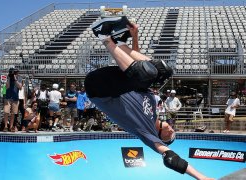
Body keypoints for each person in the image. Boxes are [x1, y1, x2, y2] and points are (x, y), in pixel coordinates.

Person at [86, 16, 214, 179]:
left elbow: (170, 158)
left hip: (99, 90)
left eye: (171, 135)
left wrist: (201, 177)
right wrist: (135, 36)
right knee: (163, 71)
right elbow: (137, 67)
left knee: (146, 74)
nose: (172, 130)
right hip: (115, 83)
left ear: (160, 137)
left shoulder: (146, 132)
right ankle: (120, 42)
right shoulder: (154, 107)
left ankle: (104, 36)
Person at [3, 68, 22, 132]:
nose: (15, 74)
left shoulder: (19, 78)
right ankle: (5, 126)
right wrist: (8, 78)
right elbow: (6, 87)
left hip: (15, 98)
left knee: (13, 113)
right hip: (7, 97)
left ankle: (11, 126)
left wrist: (15, 79)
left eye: (16, 72)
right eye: (14, 72)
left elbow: (20, 87)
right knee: (6, 111)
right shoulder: (7, 77)